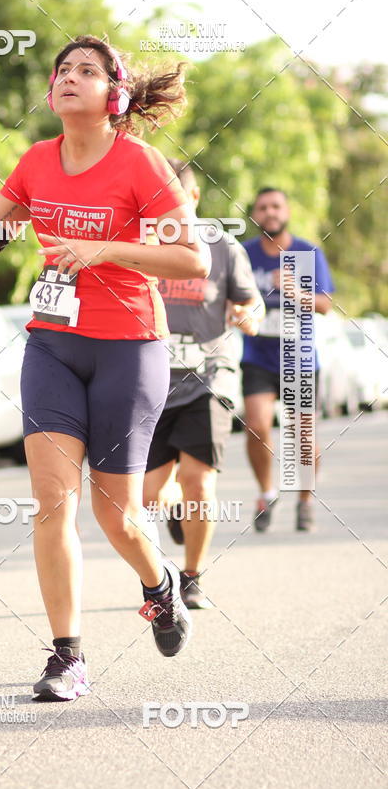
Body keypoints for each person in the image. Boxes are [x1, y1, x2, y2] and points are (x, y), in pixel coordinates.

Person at [0, 35, 211, 701]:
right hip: (53, 345)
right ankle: (67, 657)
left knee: (119, 518)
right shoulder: (34, 162)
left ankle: (160, 587)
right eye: (63, 70)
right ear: (51, 91)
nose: (70, 78)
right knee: (53, 505)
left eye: (88, 70)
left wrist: (103, 248)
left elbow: (192, 260)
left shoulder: (141, 165)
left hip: (129, 349)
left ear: (114, 95)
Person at [143, 161, 263, 608]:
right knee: (147, 498)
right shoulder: (140, 244)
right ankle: (176, 509)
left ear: (192, 200)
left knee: (198, 481)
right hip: (151, 382)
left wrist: (249, 316)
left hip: (210, 378)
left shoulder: (223, 247)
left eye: (173, 199)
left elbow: (251, 304)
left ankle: (191, 577)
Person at [241, 187, 333, 532]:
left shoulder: (307, 251)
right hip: (259, 354)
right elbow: (231, 296)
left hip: (300, 356)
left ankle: (305, 500)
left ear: (287, 210)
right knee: (257, 424)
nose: (270, 212)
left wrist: (297, 293)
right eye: (263, 207)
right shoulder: (246, 254)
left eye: (276, 206)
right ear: (255, 214)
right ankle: (266, 492)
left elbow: (326, 305)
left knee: (302, 435)